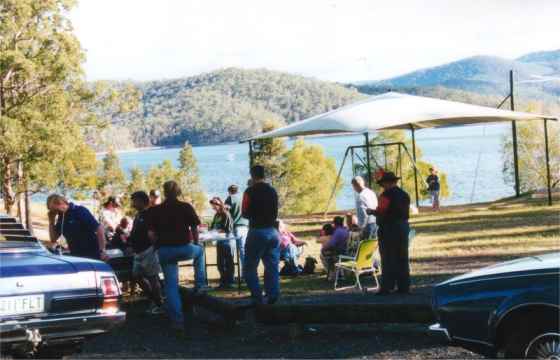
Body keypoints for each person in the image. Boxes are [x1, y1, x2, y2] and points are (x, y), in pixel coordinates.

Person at [147, 180, 206, 334]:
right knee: (200, 252)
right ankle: (200, 285)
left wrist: (157, 246)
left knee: (171, 286)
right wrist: (196, 243)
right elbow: (194, 228)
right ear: (178, 192)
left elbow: (151, 234)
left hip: (165, 251)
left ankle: (177, 321)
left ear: (164, 192)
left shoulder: (156, 210)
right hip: (183, 248)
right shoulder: (185, 207)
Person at [366, 171, 411, 295]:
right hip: (403, 227)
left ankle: (387, 287)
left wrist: (371, 212)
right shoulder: (405, 195)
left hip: (389, 228)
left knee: (387, 258)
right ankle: (404, 286)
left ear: (386, 183)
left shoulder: (385, 195)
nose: (383, 186)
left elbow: (381, 211)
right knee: (402, 257)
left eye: (383, 184)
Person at [242, 165, 281, 305]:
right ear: (264, 175)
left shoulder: (249, 191)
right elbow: (276, 211)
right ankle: (273, 294)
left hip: (256, 230)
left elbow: (244, 212)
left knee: (249, 267)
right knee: (272, 265)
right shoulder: (272, 191)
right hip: (272, 231)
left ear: (252, 175)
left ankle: (257, 295)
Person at [129, 191, 164, 314]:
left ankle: (159, 303)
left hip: (148, 250)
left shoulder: (150, 213)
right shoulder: (138, 215)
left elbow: (154, 232)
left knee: (153, 277)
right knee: (136, 276)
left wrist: (155, 246)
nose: (133, 203)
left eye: (134, 200)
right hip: (138, 252)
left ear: (141, 201)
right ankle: (153, 298)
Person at [47, 194, 108, 261]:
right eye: (52, 211)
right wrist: (51, 222)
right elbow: (53, 239)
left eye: (54, 209)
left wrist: (102, 250)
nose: (54, 212)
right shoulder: (61, 217)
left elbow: (99, 229)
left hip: (92, 253)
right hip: (76, 255)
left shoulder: (79, 211)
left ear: (60, 203)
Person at [209, 197, 235, 289]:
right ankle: (223, 281)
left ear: (219, 205)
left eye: (214, 206)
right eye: (212, 206)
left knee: (228, 262)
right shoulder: (216, 215)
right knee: (220, 263)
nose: (213, 208)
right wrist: (210, 231)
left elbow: (228, 229)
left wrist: (216, 231)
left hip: (227, 241)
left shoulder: (226, 214)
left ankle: (230, 282)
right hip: (219, 241)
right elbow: (212, 226)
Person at [224, 184, 249, 271]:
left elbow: (225, 212)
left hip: (235, 227)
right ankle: (246, 273)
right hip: (245, 227)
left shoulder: (230, 198)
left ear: (229, 191)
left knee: (231, 251)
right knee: (243, 251)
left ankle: (230, 274)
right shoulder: (242, 198)